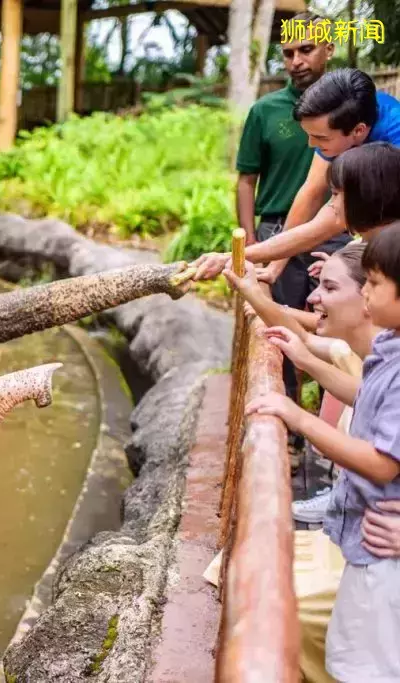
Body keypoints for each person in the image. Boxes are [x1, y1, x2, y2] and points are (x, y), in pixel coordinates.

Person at [246, 224, 400, 681]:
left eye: (374, 283)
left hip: (382, 548)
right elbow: (361, 394)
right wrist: (308, 363)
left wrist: (298, 417)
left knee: (365, 668)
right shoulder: (388, 348)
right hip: (368, 538)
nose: (368, 295)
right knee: (348, 657)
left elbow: (382, 460)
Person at [191, 69, 400, 282]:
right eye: (309, 135)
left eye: (319, 137)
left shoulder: (393, 141)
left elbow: (333, 220)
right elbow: (311, 192)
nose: (311, 145)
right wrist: (275, 267)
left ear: (358, 131)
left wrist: (234, 257)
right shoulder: (342, 122)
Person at [234, 11, 339, 404]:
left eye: (307, 50)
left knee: (341, 326)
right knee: (278, 326)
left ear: (329, 49)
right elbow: (246, 180)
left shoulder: (350, 109)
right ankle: (288, 427)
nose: (296, 61)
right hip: (276, 231)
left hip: (337, 231)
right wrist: (247, 242)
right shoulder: (265, 111)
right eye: (289, 53)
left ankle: (336, 426)